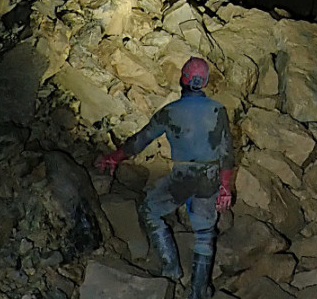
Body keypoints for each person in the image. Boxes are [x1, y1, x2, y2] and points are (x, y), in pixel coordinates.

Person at [96, 57, 235, 299]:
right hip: (209, 178)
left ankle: (171, 269)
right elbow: (227, 153)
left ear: (183, 79)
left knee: (150, 211)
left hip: (182, 177)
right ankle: (197, 293)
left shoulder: (169, 112)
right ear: (205, 82)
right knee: (205, 234)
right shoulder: (217, 110)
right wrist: (225, 188)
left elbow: (140, 141)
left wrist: (114, 158)